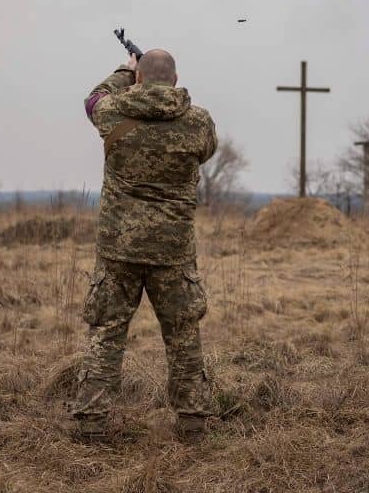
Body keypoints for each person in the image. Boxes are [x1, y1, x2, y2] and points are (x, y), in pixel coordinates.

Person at [74, 49, 218, 442]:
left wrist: (124, 69)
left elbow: (92, 98)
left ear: (139, 78)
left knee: (106, 334)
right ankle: (192, 423)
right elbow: (206, 150)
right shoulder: (197, 121)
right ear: (175, 79)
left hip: (118, 249)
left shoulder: (113, 112)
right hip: (172, 251)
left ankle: (91, 424)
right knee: (183, 335)